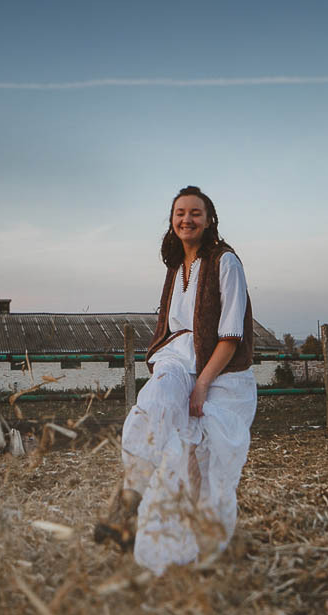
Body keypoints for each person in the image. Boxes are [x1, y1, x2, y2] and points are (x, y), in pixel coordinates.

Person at [97, 185, 257, 575]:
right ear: (172, 220)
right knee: (151, 413)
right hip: (175, 363)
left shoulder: (226, 262)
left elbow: (231, 336)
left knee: (205, 464)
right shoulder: (174, 267)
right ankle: (128, 506)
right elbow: (172, 330)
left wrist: (202, 385)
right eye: (180, 213)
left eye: (195, 213)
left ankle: (204, 551)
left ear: (209, 219)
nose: (187, 219)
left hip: (219, 374)